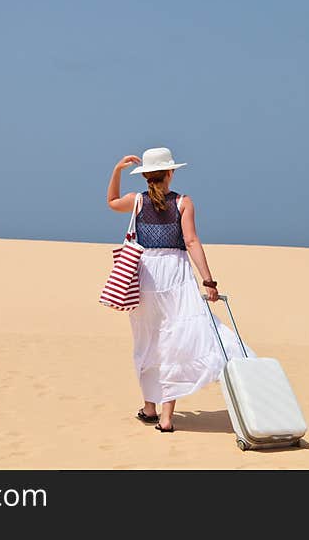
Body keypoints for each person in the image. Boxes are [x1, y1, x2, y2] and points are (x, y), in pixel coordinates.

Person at [106, 146, 253, 432]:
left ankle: (150, 406)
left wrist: (116, 170)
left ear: (146, 175)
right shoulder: (184, 202)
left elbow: (112, 201)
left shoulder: (136, 201)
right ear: (171, 173)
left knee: (147, 341)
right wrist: (208, 281)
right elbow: (191, 242)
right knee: (173, 341)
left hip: (144, 275)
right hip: (176, 275)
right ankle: (165, 416)